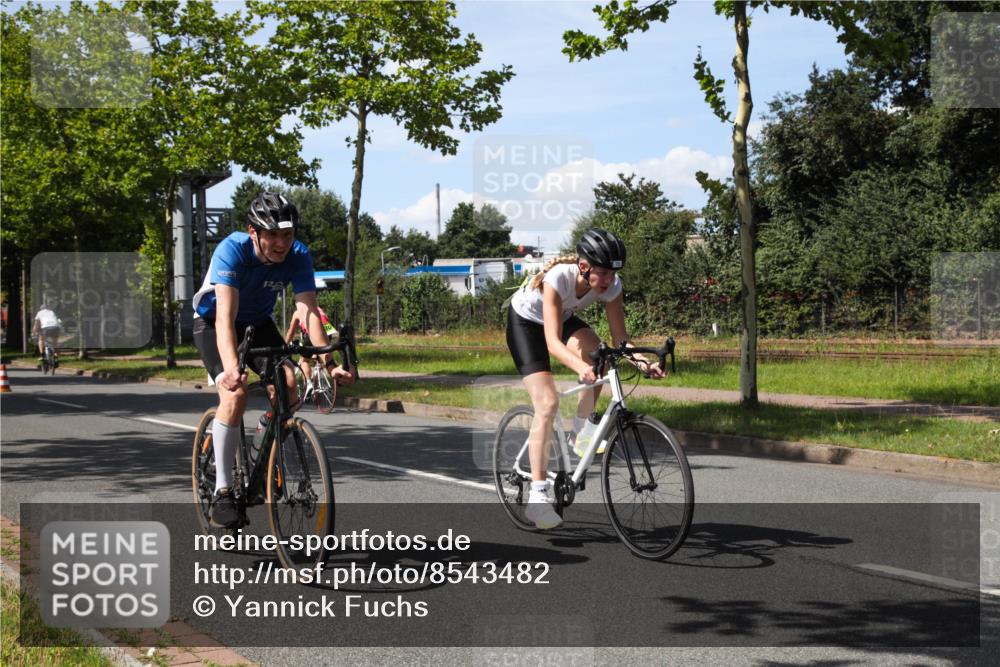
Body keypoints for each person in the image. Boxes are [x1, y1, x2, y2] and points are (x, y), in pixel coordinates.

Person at [192, 191, 354, 528]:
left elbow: (308, 310)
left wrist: (328, 362)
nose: (282, 243)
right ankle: (222, 489)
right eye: (273, 236)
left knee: (289, 384)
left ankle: (263, 452)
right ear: (255, 233)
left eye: (288, 234)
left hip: (257, 323)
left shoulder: (298, 255)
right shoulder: (232, 251)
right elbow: (224, 317)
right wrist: (231, 370)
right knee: (235, 394)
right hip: (214, 322)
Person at [505, 228, 664, 529]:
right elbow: (552, 343)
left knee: (601, 354)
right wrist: (580, 367)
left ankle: (580, 431)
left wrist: (643, 363)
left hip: (563, 318)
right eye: (602, 274)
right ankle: (538, 499)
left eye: (612, 274)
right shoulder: (558, 279)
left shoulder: (612, 285)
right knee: (548, 403)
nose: (607, 281)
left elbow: (621, 340)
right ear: (583, 266)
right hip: (526, 323)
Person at [284, 304, 337, 399]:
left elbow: (290, 332)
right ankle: (329, 378)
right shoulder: (318, 309)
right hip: (327, 333)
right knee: (324, 357)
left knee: (304, 361)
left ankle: (309, 384)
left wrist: (284, 346)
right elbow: (327, 323)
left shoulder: (297, 312)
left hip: (312, 332)